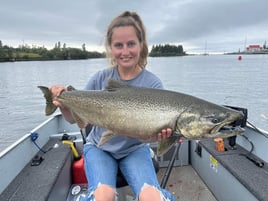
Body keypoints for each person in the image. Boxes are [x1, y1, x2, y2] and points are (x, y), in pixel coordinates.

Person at [50, 11, 176, 201]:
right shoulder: (100, 78)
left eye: (131, 44)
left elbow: (149, 136)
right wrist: (63, 104)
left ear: (141, 45)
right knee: (103, 197)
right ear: (111, 48)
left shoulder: (153, 85)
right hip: (99, 148)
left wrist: (166, 136)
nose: (125, 52)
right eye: (119, 45)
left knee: (152, 198)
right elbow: (74, 120)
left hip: (135, 149)